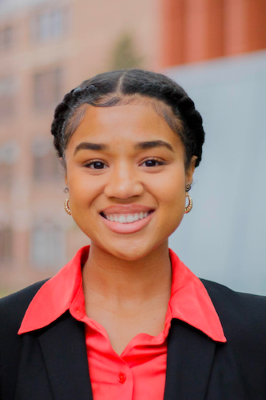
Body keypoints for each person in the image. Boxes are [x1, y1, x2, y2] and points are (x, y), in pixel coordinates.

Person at [0, 69, 266, 400]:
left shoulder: (259, 333)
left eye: (152, 161)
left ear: (188, 171)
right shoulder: (5, 333)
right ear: (66, 175)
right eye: (96, 164)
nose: (124, 188)